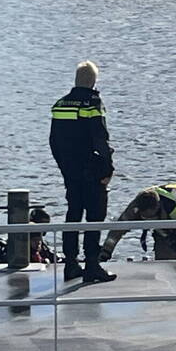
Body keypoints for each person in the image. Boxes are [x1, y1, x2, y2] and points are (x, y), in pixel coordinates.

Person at [50, 60, 116, 283]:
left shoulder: (60, 104)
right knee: (95, 217)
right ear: (93, 81)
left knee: (73, 214)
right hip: (92, 170)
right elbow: (100, 139)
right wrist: (108, 168)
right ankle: (92, 265)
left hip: (70, 171)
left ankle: (70, 263)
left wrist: (64, 168)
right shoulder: (92, 103)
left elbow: (53, 141)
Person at [100, 183, 176, 261]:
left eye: (152, 216)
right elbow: (117, 230)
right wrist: (106, 252)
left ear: (158, 206)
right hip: (165, 238)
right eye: (146, 218)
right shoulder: (135, 207)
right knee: (165, 271)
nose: (150, 219)